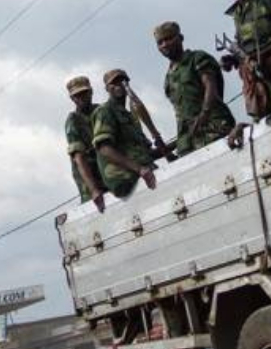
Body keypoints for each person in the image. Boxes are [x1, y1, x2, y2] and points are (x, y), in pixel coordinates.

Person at [153, 21, 235, 156]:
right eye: (160, 43)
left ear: (180, 38)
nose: (164, 45)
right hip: (188, 140)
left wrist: (204, 115)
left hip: (213, 128)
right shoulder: (169, 76)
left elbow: (211, 87)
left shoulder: (197, 58)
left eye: (168, 39)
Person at [91, 69, 158, 199]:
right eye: (113, 83)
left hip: (140, 173)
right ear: (107, 89)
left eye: (122, 81)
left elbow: (142, 153)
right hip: (126, 179)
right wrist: (139, 169)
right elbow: (104, 149)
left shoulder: (129, 115)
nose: (119, 86)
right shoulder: (105, 111)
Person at [64, 76, 107, 212]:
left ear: (91, 92)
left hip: (107, 171)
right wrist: (94, 190)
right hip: (89, 177)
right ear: (72, 99)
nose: (81, 98)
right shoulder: (73, 120)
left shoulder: (101, 111)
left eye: (84, 93)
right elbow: (79, 157)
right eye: (77, 96)